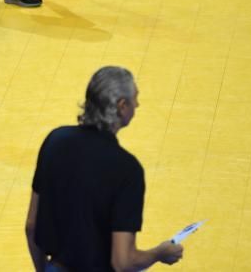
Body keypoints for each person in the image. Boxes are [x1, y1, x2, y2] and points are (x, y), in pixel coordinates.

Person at [25, 66, 184, 271]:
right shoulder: (127, 170)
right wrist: (159, 253)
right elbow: (123, 262)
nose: (138, 104)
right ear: (122, 106)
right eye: (135, 98)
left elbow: (31, 226)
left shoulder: (55, 141)